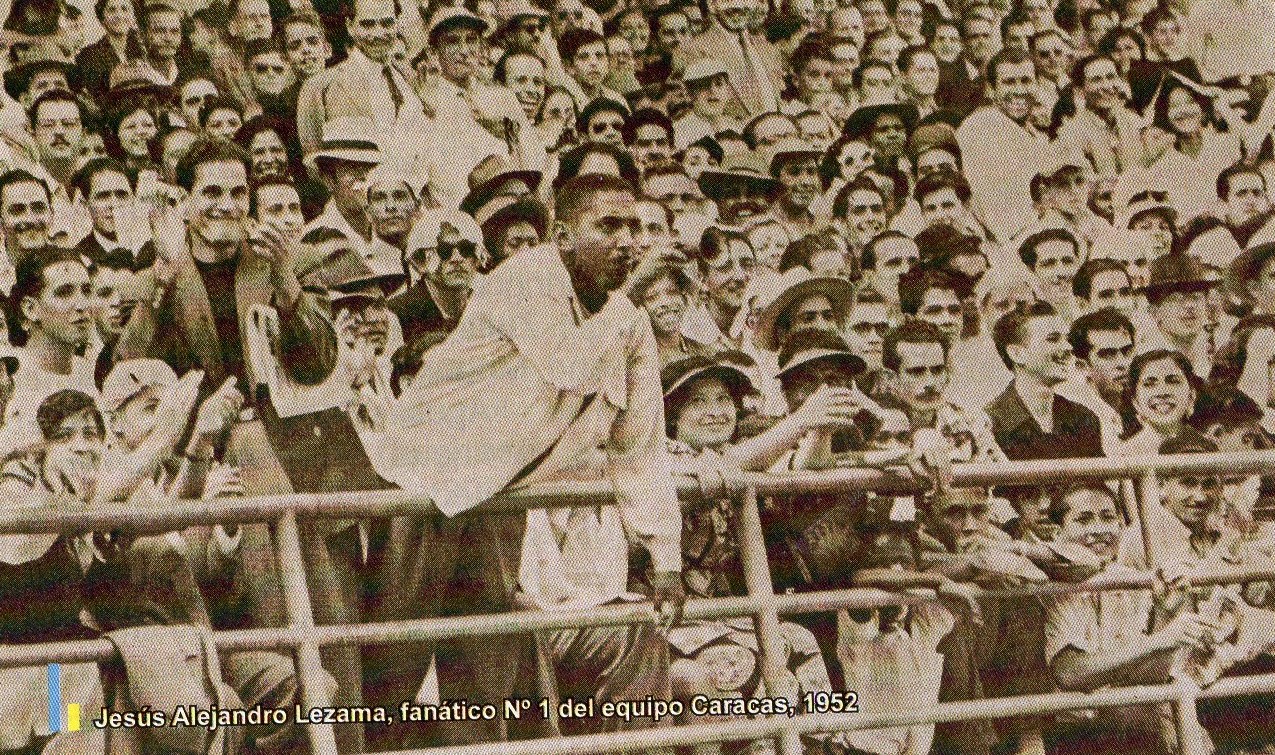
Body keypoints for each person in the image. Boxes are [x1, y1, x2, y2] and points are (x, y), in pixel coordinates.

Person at [363, 173, 685, 748]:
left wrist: (663, 551)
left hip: (501, 501)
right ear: (561, 233)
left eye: (634, 228)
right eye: (607, 226)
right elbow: (567, 365)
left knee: (486, 679)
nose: (626, 242)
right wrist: (630, 298)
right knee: (391, 675)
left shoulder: (629, 322)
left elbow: (641, 445)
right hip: (420, 488)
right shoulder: (524, 277)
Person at [987, 300, 1104, 460]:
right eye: (1053, 339)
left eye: (1066, 339)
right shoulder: (992, 424)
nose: (1068, 347)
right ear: (1017, 354)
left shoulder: (1084, 419)